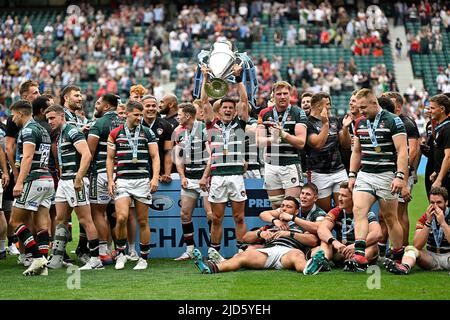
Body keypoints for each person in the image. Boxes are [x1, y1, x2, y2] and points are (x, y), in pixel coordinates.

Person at [347, 88, 408, 271]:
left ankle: (397, 256)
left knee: (390, 218)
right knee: (359, 210)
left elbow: (403, 150)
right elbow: (356, 151)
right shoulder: (359, 123)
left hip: (386, 175)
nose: (361, 111)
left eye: (364, 107)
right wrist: (352, 174)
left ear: (375, 103)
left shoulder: (393, 121)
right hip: (366, 174)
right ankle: (359, 255)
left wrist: (400, 176)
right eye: (359, 108)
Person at [198, 64, 249, 263]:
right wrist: (205, 79)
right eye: (224, 108)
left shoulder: (240, 123)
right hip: (217, 176)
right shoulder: (212, 124)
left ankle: (241, 250)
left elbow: (244, 100)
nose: (227, 110)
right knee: (217, 217)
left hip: (236, 175)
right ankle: (214, 251)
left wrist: (238, 79)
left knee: (239, 217)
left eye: (231, 108)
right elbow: (203, 101)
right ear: (219, 111)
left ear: (235, 110)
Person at [191, 197, 321, 274]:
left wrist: (290, 234)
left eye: (288, 207)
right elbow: (245, 238)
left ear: (296, 211)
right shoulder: (271, 224)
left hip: (288, 252)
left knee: (297, 255)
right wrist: (261, 233)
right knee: (243, 255)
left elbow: (313, 240)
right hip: (269, 251)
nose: (284, 209)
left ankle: (308, 269)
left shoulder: (300, 225)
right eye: (282, 206)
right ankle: (212, 268)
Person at [45, 105, 102, 270]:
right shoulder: (60, 134)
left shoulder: (72, 131)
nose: (50, 122)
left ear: (62, 116)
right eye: (48, 119)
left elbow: (87, 154)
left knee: (85, 220)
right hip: (64, 181)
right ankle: (57, 257)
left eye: (52, 118)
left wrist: (78, 178)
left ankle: (95, 259)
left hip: (75, 182)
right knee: (60, 219)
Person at [107, 101, 160, 270]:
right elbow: (109, 158)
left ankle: (143, 258)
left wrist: (155, 178)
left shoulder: (147, 132)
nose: (139, 118)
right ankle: (121, 254)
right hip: (122, 180)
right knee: (121, 217)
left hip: (142, 180)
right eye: (136, 115)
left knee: (143, 220)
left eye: (140, 115)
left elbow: (155, 157)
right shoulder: (115, 133)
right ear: (127, 114)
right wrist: (110, 180)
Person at [8, 100, 54, 276]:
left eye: (13, 115)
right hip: (47, 179)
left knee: (16, 221)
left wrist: (19, 182)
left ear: (20, 113)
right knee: (42, 223)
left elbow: (27, 157)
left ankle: (37, 257)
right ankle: (42, 266)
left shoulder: (28, 130)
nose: (13, 119)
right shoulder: (43, 129)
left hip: (33, 179)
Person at [310, 182, 382, 273]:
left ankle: (357, 264)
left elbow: (377, 233)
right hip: (342, 250)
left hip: (359, 252)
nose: (339, 199)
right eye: (339, 195)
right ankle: (323, 261)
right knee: (325, 240)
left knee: (373, 246)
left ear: (353, 198)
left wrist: (356, 246)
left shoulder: (365, 213)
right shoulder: (336, 211)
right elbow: (321, 229)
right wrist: (335, 242)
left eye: (344, 196)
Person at [257, 81, 307, 209]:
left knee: (291, 207)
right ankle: (278, 229)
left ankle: (289, 229)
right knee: (276, 206)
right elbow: (258, 141)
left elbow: (301, 143)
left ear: (290, 95)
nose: (283, 96)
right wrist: (273, 139)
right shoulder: (264, 113)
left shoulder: (298, 112)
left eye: (285, 93)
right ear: (273, 96)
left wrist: (283, 135)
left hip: (291, 163)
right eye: (279, 94)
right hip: (271, 164)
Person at [381, 92, 421, 250]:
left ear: (398, 106)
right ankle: (392, 246)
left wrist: (404, 174)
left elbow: (413, 150)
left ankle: (402, 246)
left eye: (389, 103)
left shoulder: (406, 123)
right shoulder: (395, 121)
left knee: (399, 212)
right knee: (390, 213)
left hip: (401, 173)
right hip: (396, 172)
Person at [87, 93, 122, 265]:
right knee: (118, 214)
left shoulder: (98, 124)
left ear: (107, 107)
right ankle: (122, 251)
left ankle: (103, 252)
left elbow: (89, 153)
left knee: (98, 212)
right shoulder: (125, 122)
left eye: (99, 103)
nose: (96, 105)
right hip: (121, 173)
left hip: (101, 172)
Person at [173, 103, 210, 260]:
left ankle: (213, 250)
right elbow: (179, 158)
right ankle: (190, 250)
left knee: (210, 215)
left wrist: (205, 177)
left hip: (205, 180)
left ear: (188, 116)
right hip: (190, 178)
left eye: (179, 114)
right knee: (185, 214)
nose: (177, 117)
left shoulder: (203, 129)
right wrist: (182, 176)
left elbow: (212, 157)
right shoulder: (180, 133)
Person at [385, 187, 450, 274]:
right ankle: (404, 268)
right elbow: (417, 245)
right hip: (431, 257)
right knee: (411, 249)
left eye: (439, 202)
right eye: (432, 203)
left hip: (448, 256)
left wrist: (443, 223)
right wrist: (428, 222)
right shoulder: (425, 217)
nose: (435, 206)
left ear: (446, 202)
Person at [305, 92, 352, 212]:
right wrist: (325, 124)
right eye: (327, 104)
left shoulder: (335, 121)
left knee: (345, 208)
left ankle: (345, 230)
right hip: (319, 173)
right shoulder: (307, 123)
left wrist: (345, 128)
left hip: (339, 171)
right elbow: (317, 145)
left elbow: (346, 144)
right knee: (325, 212)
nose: (329, 107)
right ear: (318, 106)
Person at [429, 94, 450, 197]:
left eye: (432, 108)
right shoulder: (441, 127)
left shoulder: (447, 128)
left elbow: (448, 156)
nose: (430, 111)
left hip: (447, 178)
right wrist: (436, 172)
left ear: (442, 109)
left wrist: (439, 179)